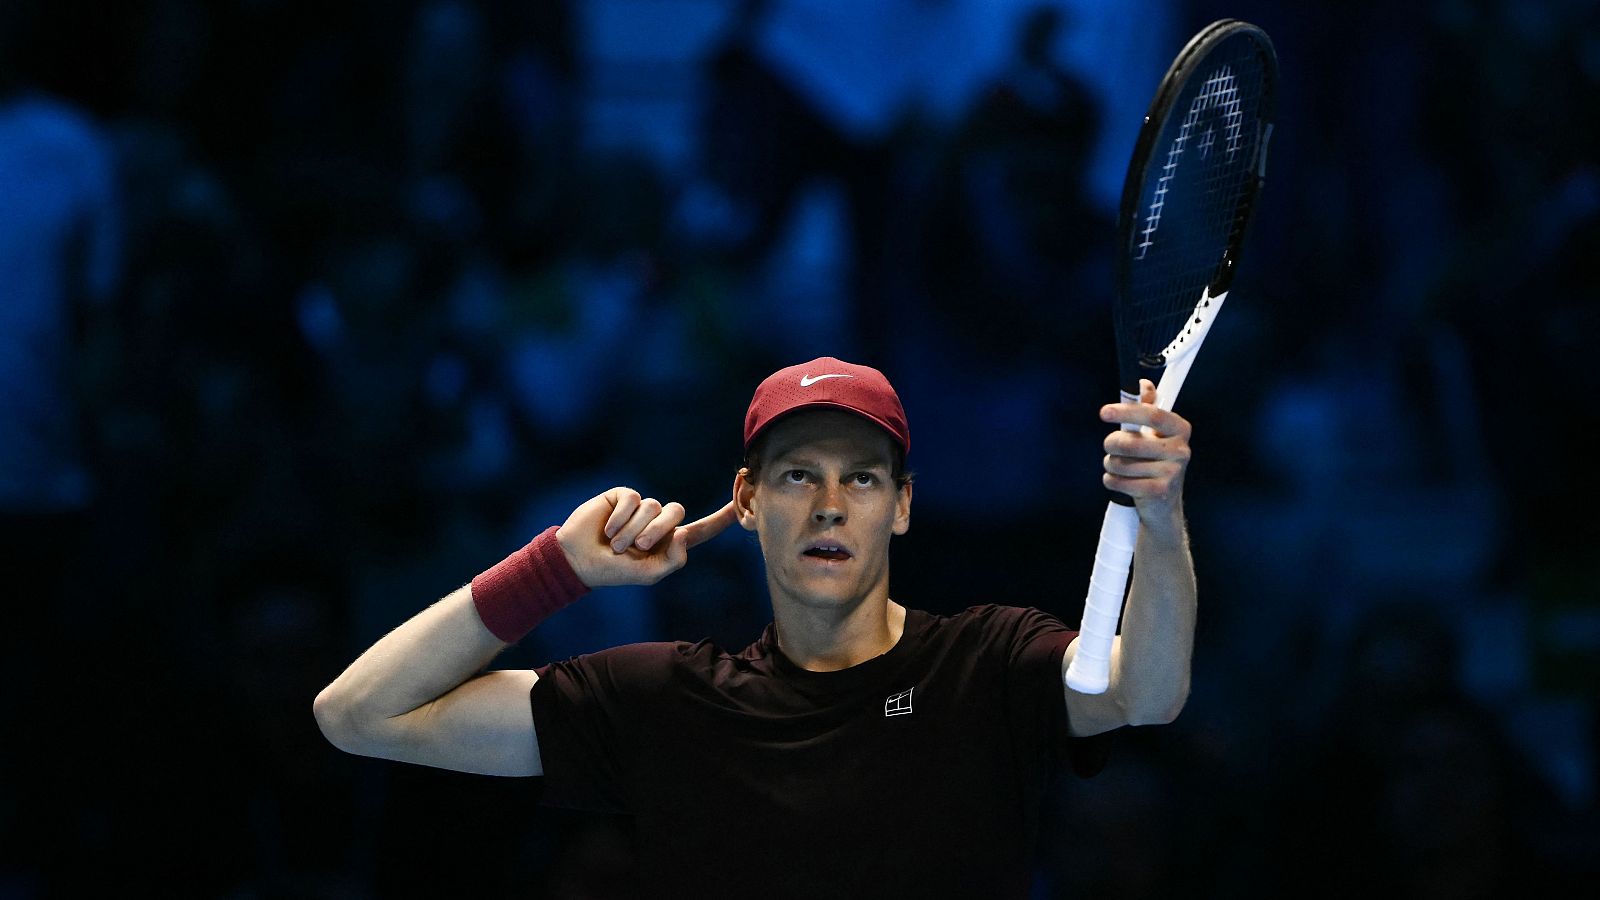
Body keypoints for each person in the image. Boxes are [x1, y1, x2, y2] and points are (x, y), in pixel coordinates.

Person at [315, 356, 1196, 898]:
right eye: (795, 477)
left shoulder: (986, 664)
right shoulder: (664, 701)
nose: (827, 507)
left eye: (861, 479)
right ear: (744, 501)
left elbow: (1146, 692)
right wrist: (559, 567)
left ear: (903, 508)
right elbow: (358, 714)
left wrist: (1159, 516)